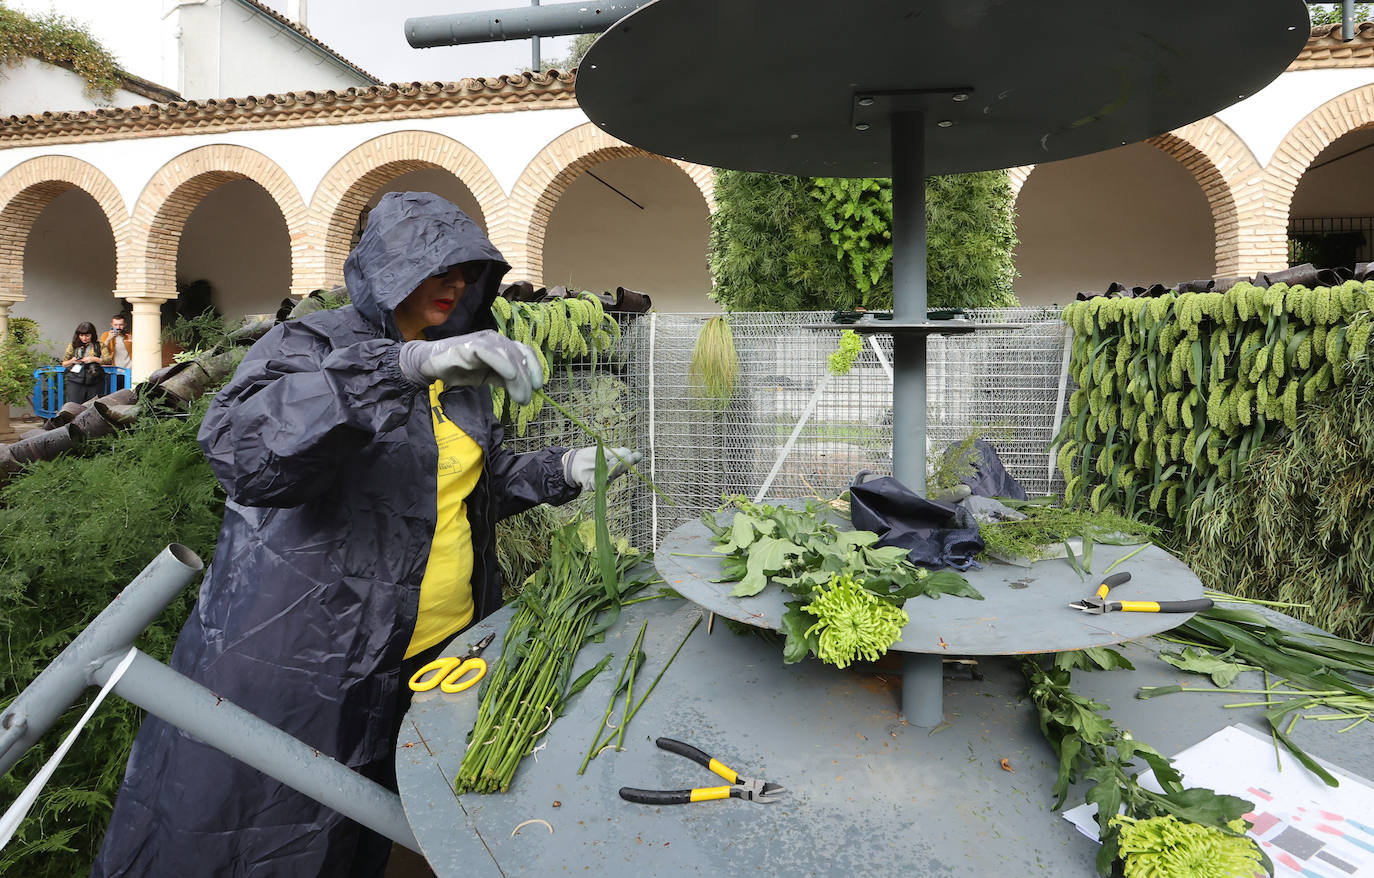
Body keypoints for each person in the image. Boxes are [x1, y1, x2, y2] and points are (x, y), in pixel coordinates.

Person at [91, 192, 641, 877]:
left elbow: (454, 487)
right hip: (311, 658)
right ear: (387, 267)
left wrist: (561, 469)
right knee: (277, 834)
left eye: (468, 273)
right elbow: (244, 456)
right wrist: (399, 369)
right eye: (437, 268)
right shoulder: (310, 345)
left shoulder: (459, 365)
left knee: (394, 827)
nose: (456, 285)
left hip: (436, 652)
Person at [60, 321, 104, 404]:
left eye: (87, 335)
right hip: (75, 379)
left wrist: (93, 359)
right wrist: (72, 361)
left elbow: (108, 360)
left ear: (92, 335)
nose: (84, 338)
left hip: (94, 378)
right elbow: (64, 363)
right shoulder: (72, 346)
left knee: (92, 405)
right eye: (81, 335)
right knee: (74, 405)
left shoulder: (99, 345)